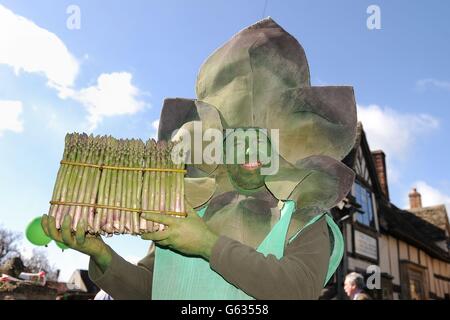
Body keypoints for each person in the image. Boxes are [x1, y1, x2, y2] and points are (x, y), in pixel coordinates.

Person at [41, 17, 357, 300]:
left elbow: (297, 289)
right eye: (236, 137)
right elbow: (151, 290)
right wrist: (102, 255)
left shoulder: (307, 217)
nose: (248, 150)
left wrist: (206, 243)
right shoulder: (185, 211)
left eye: (260, 137)